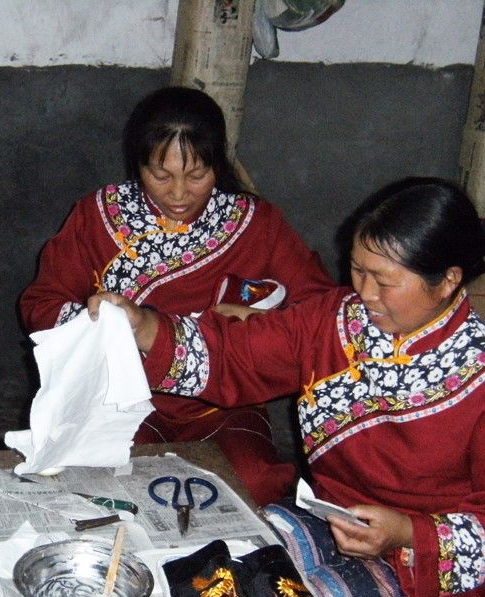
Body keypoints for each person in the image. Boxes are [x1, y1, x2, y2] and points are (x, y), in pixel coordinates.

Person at [87, 176, 485, 597]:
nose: (365, 293)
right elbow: (238, 354)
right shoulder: (334, 321)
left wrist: (406, 533)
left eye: (384, 281)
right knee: (209, 569)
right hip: (334, 518)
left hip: (431, 567)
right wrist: (144, 326)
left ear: (447, 280)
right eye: (357, 271)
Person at [20, 86, 335, 506]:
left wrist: (257, 323)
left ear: (217, 165)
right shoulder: (97, 216)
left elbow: (322, 313)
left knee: (252, 485)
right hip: (119, 399)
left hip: (224, 405)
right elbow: (41, 304)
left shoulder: (257, 224)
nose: (179, 193)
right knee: (107, 485)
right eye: (161, 175)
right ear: (138, 164)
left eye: (197, 175)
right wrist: (93, 322)